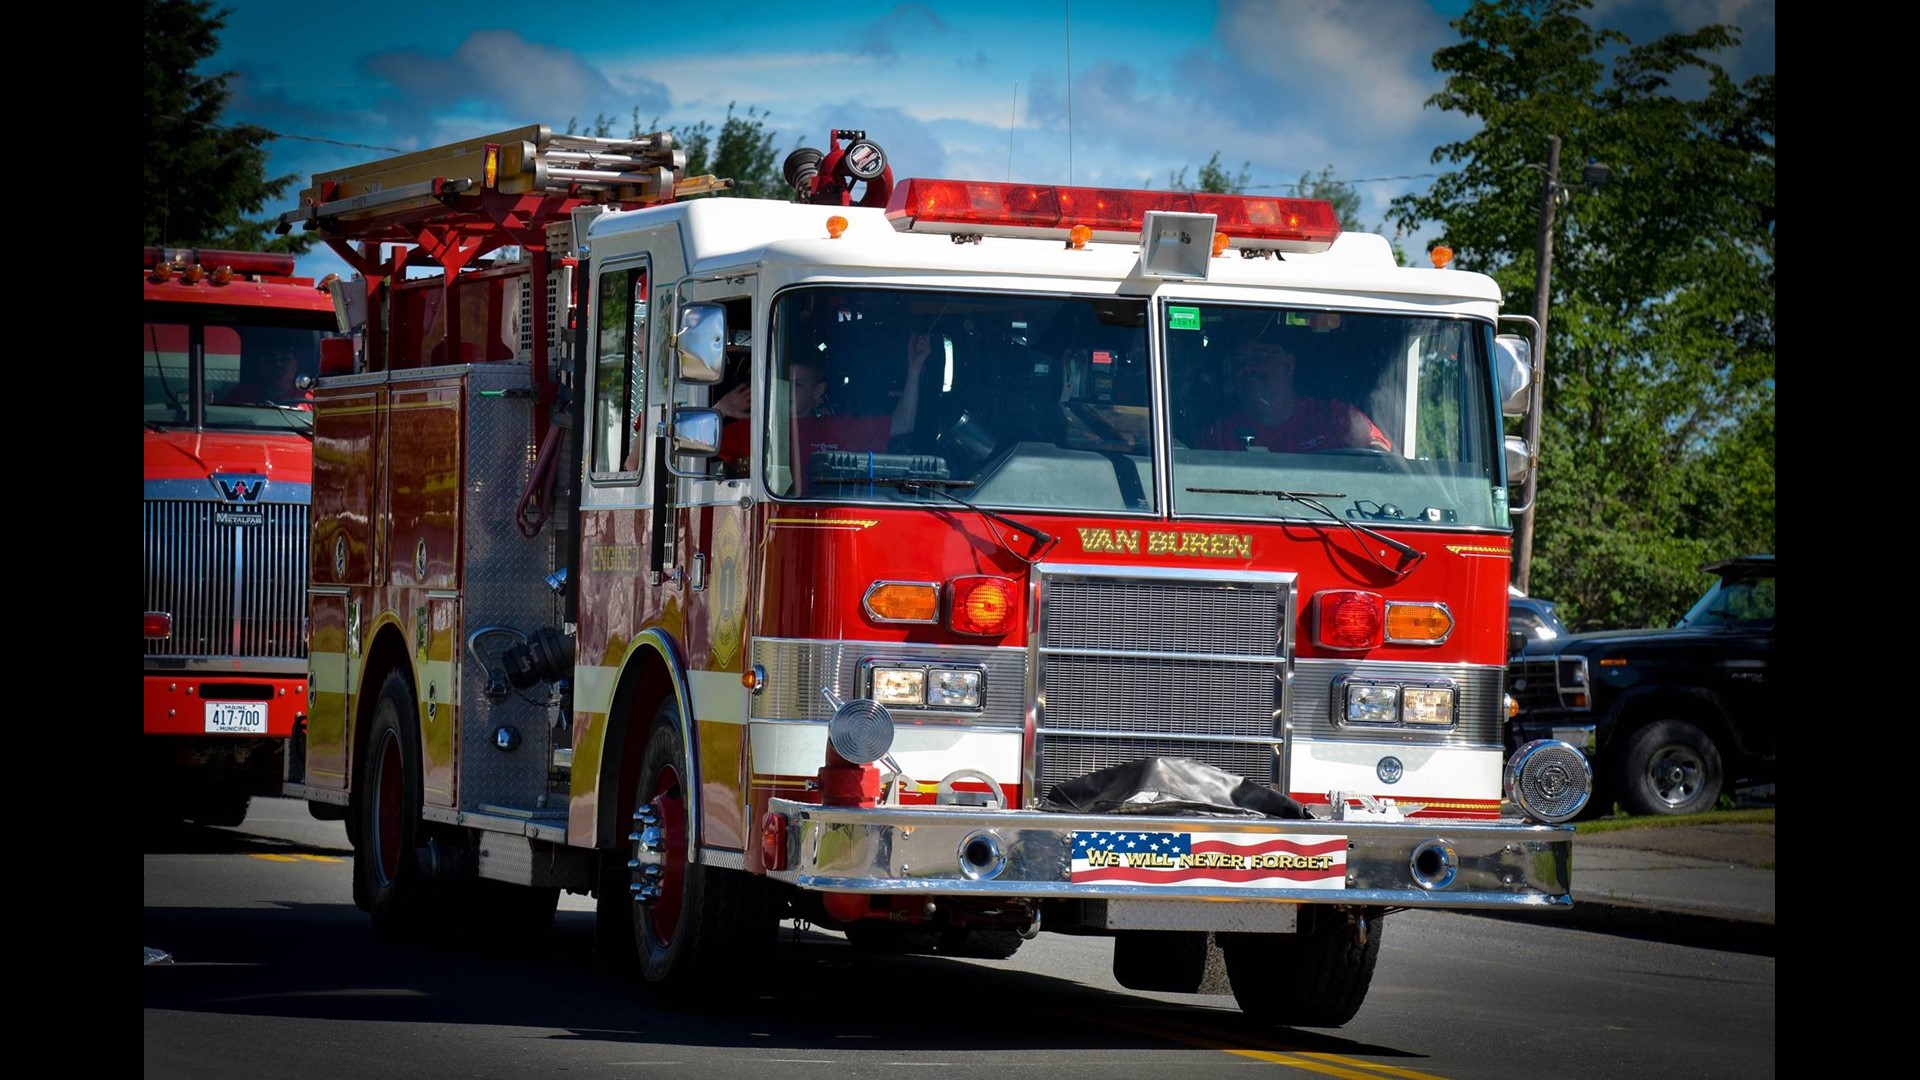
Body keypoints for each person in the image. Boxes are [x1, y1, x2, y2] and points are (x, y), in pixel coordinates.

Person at [1198, 338, 1389, 453]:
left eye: (1260, 357)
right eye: (1240, 361)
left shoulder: (1336, 417)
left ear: (1288, 365)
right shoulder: (1219, 435)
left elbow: (1379, 458)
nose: (1249, 368)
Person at [223, 345, 311, 409]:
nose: (278, 364)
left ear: (296, 365)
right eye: (270, 358)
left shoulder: (310, 400)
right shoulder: (240, 396)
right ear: (260, 365)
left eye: (285, 359)